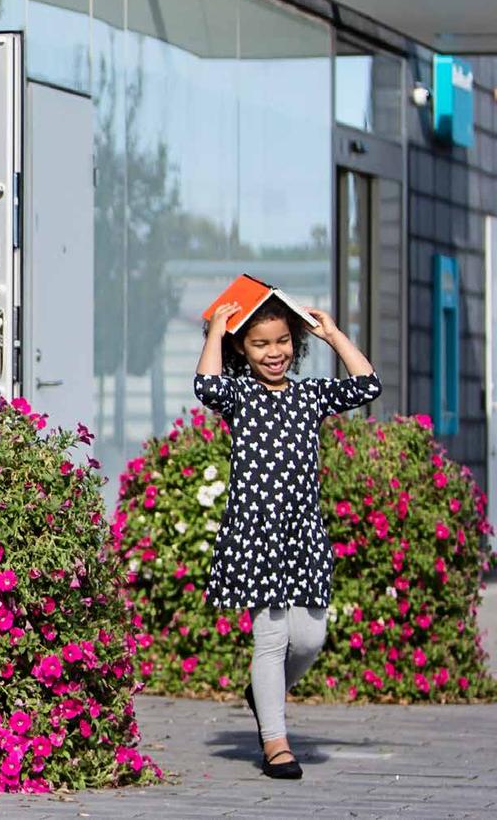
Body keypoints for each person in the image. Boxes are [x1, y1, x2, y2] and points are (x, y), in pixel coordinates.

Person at [194, 295, 381, 780]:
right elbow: (206, 385)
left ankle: (263, 692)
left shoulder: (309, 395)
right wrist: (217, 329)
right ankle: (276, 743)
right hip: (256, 534)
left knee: (309, 637)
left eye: (281, 342)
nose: (273, 352)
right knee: (272, 635)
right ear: (243, 348)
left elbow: (367, 384)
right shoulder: (240, 395)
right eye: (259, 344)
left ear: (294, 344)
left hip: (303, 534)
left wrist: (334, 335)